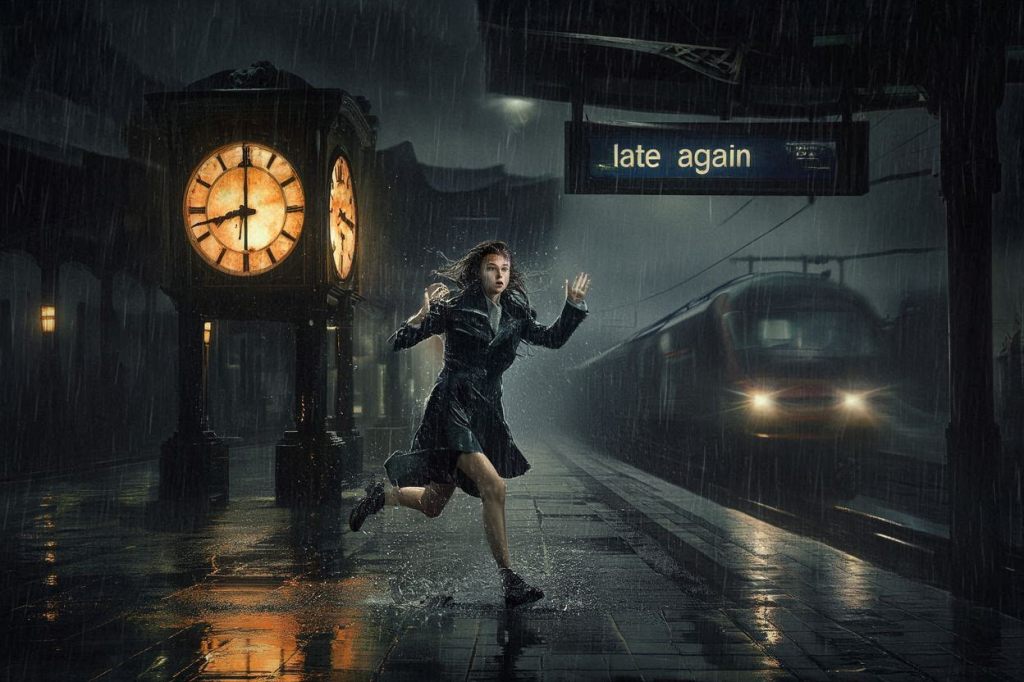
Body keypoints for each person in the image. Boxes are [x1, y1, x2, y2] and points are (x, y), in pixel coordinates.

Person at [348, 240, 591, 607]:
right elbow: (398, 341)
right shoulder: (455, 307)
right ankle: (510, 580)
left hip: (483, 413)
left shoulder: (515, 311)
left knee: (432, 503)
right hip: (450, 406)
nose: (499, 275)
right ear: (479, 272)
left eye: (505, 269)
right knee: (494, 486)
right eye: (492, 268)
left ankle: (380, 497)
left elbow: (551, 338)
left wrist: (572, 306)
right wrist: (419, 317)